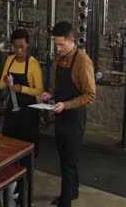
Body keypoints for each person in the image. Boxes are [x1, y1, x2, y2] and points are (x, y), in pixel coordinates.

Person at [37, 21, 96, 207]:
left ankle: (65, 201)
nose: (58, 48)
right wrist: (50, 94)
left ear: (72, 41)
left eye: (62, 44)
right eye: (56, 44)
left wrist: (67, 104)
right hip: (60, 114)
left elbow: (90, 95)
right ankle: (74, 190)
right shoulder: (59, 59)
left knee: (67, 163)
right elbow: (57, 85)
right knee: (66, 157)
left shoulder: (82, 61)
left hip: (74, 117)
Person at [0, 29, 43, 155]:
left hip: (29, 113)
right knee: (9, 148)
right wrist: (5, 81)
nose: (18, 51)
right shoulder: (9, 60)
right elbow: (0, 85)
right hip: (12, 110)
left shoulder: (34, 64)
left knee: (27, 151)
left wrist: (22, 89)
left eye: (22, 47)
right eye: (15, 47)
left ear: (27, 45)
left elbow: (39, 91)